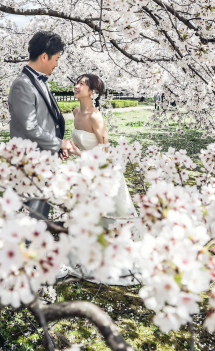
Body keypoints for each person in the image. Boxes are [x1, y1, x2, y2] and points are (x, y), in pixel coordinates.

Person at [60, 73, 141, 286]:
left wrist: (78, 153)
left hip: (102, 173)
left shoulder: (96, 117)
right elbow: (78, 142)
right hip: (84, 171)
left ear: (92, 91)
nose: (76, 86)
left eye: (82, 84)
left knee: (107, 217)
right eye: (76, 83)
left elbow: (104, 153)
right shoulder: (75, 111)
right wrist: (68, 147)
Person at [8, 31, 80, 219]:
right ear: (44, 56)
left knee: (40, 217)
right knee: (33, 219)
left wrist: (56, 147)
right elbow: (29, 127)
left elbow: (47, 121)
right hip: (31, 165)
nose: (57, 64)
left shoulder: (38, 81)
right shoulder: (23, 84)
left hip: (44, 161)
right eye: (56, 59)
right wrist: (60, 143)